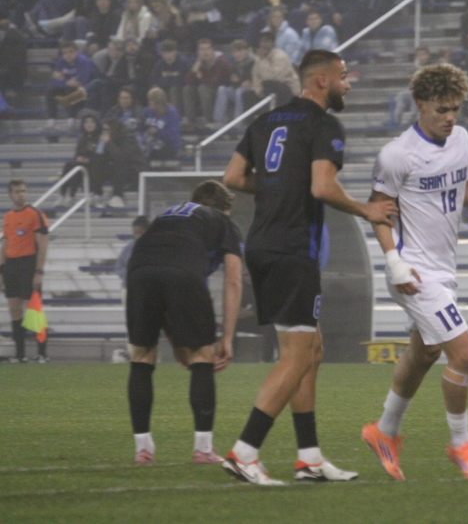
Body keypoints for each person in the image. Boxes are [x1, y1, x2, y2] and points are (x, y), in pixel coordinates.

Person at [220, 50, 397, 485]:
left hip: (262, 244)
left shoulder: (265, 121)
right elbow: (322, 186)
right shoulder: (323, 124)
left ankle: (310, 459)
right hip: (292, 248)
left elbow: (233, 177)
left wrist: (278, 183)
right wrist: (366, 210)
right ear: (320, 80)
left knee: (311, 351)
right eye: (342, 77)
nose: (347, 84)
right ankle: (244, 451)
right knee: (297, 355)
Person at [362, 63, 468, 482]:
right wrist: (394, 261)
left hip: (443, 269)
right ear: (420, 105)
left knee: (425, 352)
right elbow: (378, 212)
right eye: (441, 110)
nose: (450, 117)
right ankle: (461, 443)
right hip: (412, 271)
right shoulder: (397, 154)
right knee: (465, 354)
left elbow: (460, 189)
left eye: (455, 109)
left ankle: (384, 432)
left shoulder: (461, 140)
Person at [125, 180, 243, 465]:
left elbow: (159, 269)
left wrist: (177, 341)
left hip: (138, 272)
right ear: (223, 208)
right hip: (182, 275)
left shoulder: (166, 216)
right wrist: (226, 338)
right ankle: (203, 449)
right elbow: (233, 279)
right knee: (202, 355)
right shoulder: (221, 220)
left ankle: (144, 449)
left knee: (141, 356)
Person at [1, 180, 49, 364]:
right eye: (17, 191)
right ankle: (20, 354)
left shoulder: (35, 214)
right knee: (14, 309)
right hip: (11, 266)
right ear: (10, 195)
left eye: (23, 191)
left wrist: (39, 271)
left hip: (28, 264)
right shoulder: (8, 217)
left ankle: (42, 353)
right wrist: (1, 270)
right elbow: (5, 243)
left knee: (34, 310)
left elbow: (43, 243)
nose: (21, 194)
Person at [54, 109, 104, 207]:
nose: (89, 125)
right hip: (81, 165)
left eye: (92, 122)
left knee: (76, 167)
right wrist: (80, 159)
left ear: (97, 124)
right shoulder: (82, 138)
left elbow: (101, 157)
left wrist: (88, 160)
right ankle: (62, 195)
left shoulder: (101, 138)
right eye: (86, 122)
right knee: (70, 165)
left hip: (96, 166)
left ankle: (71, 195)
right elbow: (77, 155)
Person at [183, 38, 233, 129]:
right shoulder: (200, 63)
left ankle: (208, 121)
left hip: (220, 91)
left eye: (207, 49)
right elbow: (188, 81)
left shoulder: (221, 62)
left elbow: (214, 82)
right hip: (206, 89)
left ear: (213, 50)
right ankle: (191, 121)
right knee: (188, 89)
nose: (205, 52)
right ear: (198, 52)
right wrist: (197, 64)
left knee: (203, 88)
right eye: (202, 49)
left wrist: (201, 77)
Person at [140, 86, 181, 161]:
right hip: (149, 142)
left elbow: (173, 135)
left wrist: (157, 132)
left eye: (151, 101)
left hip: (167, 145)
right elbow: (141, 128)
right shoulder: (147, 111)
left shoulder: (171, 113)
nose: (149, 103)